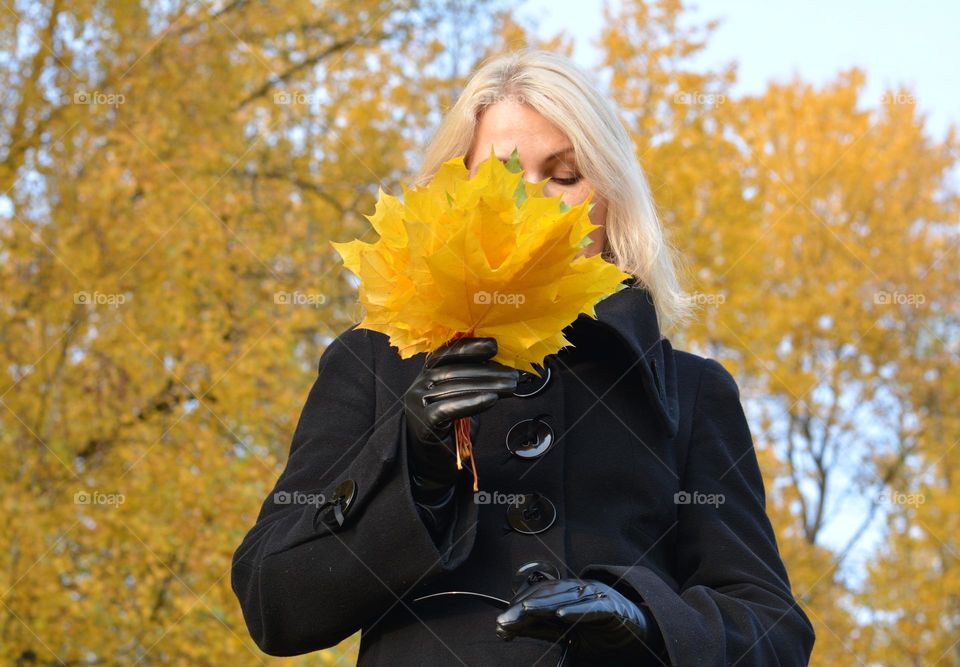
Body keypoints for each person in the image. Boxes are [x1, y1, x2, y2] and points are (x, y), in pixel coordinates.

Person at [231, 48, 816, 666]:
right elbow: (274, 604)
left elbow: (773, 632)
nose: (534, 202)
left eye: (565, 177)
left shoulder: (692, 392)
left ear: (611, 199)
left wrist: (643, 618)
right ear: (455, 191)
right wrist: (416, 478)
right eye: (503, 176)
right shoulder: (374, 361)